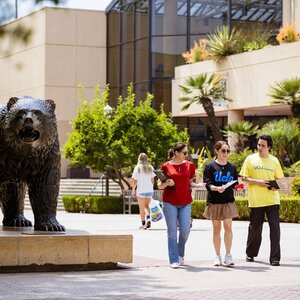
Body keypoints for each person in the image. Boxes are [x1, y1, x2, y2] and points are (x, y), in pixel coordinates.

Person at [240, 134, 284, 266]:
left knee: (275, 229)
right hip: (256, 201)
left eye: (263, 145)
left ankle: (275, 258)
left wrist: (275, 187)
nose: (260, 147)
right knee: (255, 229)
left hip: (272, 200)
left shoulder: (275, 161)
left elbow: (279, 179)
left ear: (269, 147)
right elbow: (243, 177)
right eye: (259, 145)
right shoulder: (250, 159)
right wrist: (257, 182)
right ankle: (251, 253)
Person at [158, 142, 202, 268]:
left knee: (185, 230)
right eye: (184, 153)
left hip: (185, 202)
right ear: (176, 153)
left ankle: (180, 252)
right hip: (169, 202)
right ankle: (174, 259)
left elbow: (189, 183)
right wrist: (167, 184)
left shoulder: (190, 165)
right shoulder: (165, 166)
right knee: (172, 231)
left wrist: (197, 185)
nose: (186, 155)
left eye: (187, 153)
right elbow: (160, 186)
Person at [203, 141, 239, 267]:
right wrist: (216, 188)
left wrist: (239, 187)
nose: (226, 153)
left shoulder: (232, 167)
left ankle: (228, 255)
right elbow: (207, 183)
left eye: (228, 151)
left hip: (228, 201)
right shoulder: (210, 166)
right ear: (216, 151)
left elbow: (235, 183)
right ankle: (217, 256)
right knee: (216, 229)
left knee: (228, 228)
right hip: (214, 202)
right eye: (223, 150)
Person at [131, 153, 156, 230]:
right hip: (149, 190)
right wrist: (151, 188)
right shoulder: (150, 167)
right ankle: (148, 218)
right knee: (147, 206)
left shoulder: (137, 168)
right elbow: (152, 180)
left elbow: (135, 181)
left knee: (142, 207)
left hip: (141, 190)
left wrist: (133, 189)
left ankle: (143, 224)